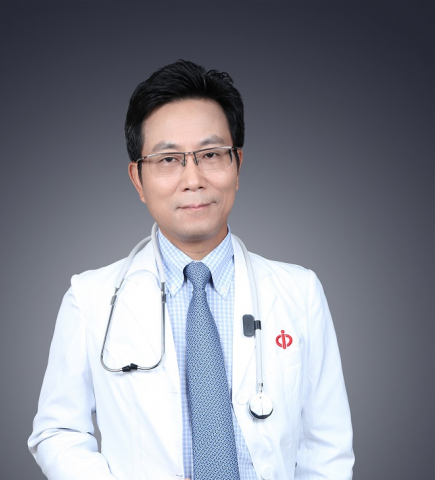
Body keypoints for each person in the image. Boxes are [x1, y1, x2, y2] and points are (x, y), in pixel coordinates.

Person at [28, 60, 354, 480]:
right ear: (138, 179)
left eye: (211, 154)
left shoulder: (300, 291)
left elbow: (326, 446)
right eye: (168, 159)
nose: (193, 178)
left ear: (238, 165)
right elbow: (58, 431)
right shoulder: (90, 299)